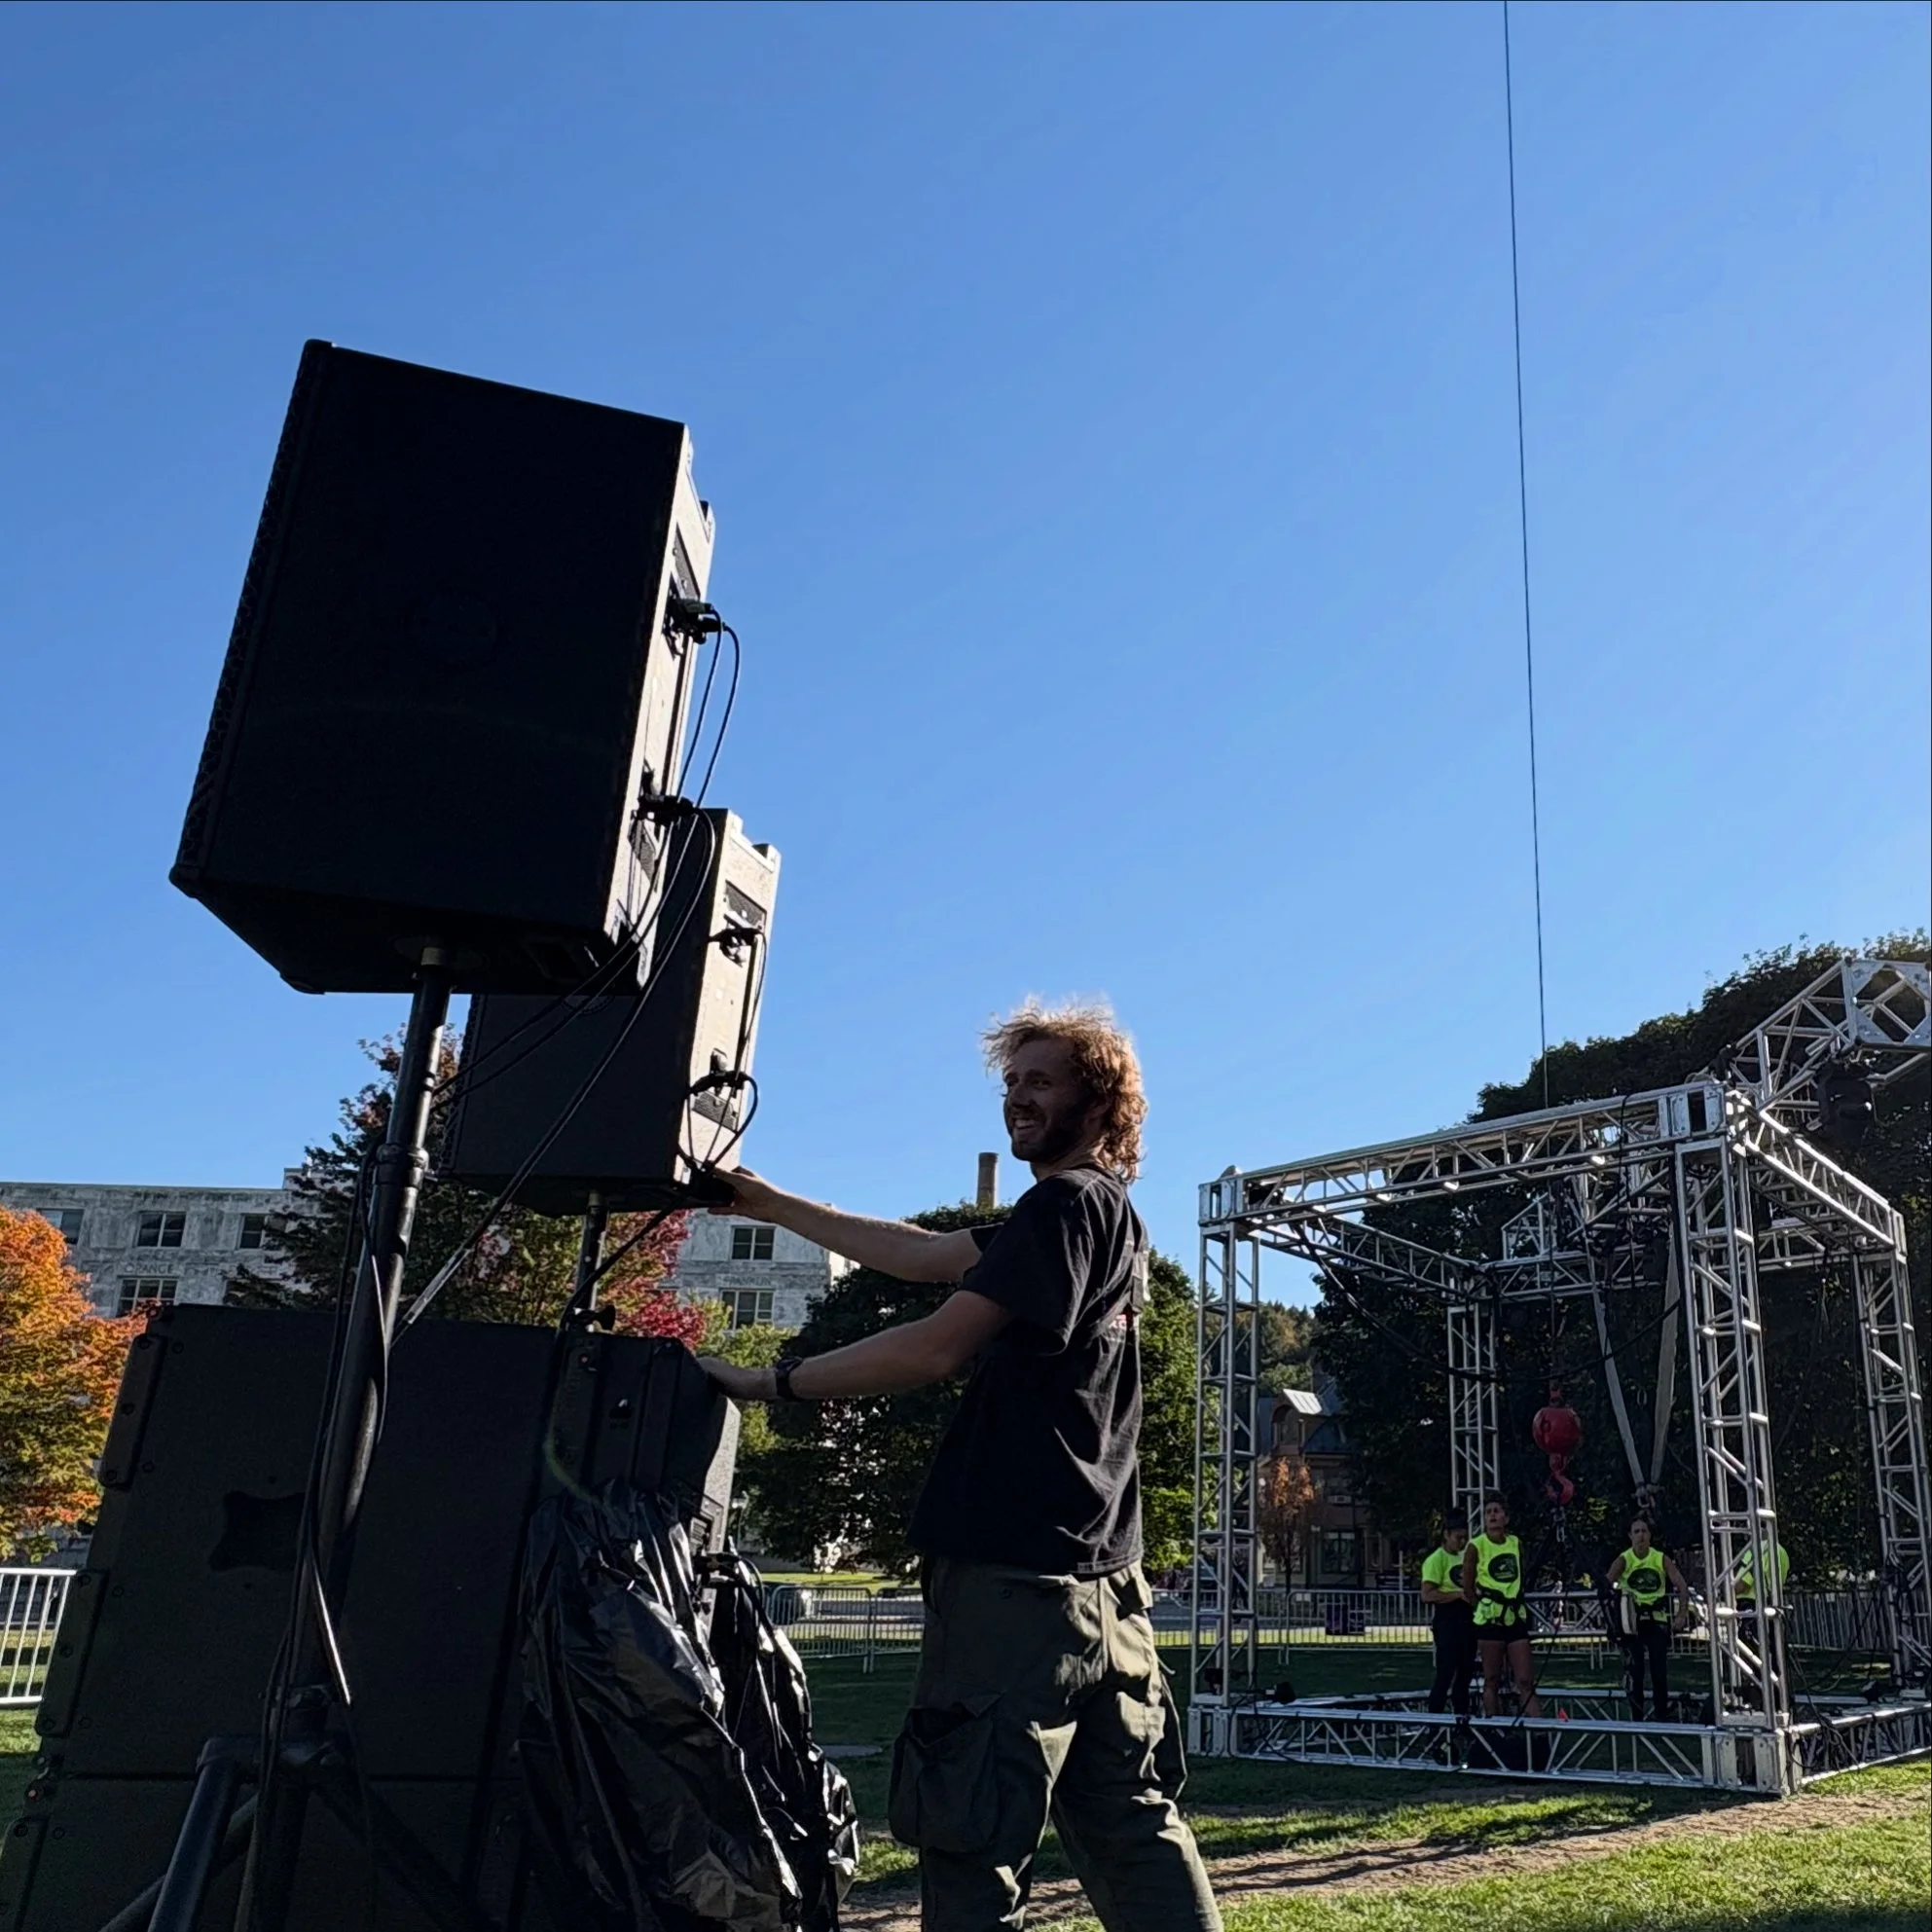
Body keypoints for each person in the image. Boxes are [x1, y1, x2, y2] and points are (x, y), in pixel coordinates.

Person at [696, 1002, 1221, 1932]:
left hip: (1014, 1591)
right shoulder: (1109, 1219)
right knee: (1133, 1825)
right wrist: (768, 1202)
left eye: (1041, 1080)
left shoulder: (1064, 1207)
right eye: (1011, 1082)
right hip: (1106, 1591)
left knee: (972, 1841)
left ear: (1101, 1101)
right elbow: (921, 1255)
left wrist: (764, 1379)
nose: (1016, 1098)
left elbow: (935, 1347)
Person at [1462, 1494, 1541, 1718]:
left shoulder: (1516, 1543)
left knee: (1525, 1680)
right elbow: (1467, 1586)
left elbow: (1521, 1575)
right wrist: (1481, 1606)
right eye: (1488, 1512)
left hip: (1515, 1617)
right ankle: (1493, 1727)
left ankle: (1539, 1733)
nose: (1493, 1515)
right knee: (1492, 1679)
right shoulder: (1475, 1546)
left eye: (1497, 1511)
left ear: (1506, 1517)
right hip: (1490, 1620)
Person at [1605, 1516, 1689, 1722]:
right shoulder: (1624, 1559)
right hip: (1632, 1623)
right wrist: (1613, 1618)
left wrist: (1682, 1614)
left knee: (1659, 1670)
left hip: (1657, 1619)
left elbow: (1682, 1586)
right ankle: (1637, 1715)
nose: (1641, 1536)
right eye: (1636, 1532)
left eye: (1644, 1531)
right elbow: (1605, 1585)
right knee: (1636, 1670)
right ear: (1630, 1537)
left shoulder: (1660, 1558)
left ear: (1650, 1535)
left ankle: (1661, 1714)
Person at [1419, 1522, 1476, 1723]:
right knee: (1445, 1674)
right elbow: (1427, 1595)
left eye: (1464, 1538)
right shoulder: (1436, 1560)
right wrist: (1458, 1595)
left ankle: (1462, 1721)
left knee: (1465, 1675)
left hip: (1469, 1620)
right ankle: (1434, 1723)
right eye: (1457, 1538)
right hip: (1448, 1620)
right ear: (1446, 1535)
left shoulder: (1467, 1557)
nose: (1461, 1542)